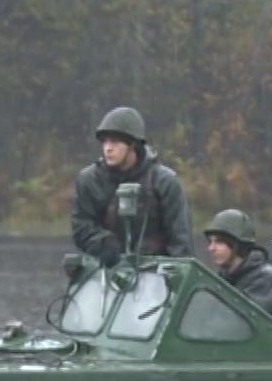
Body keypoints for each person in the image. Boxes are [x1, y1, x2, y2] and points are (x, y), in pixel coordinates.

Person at [72, 106, 192, 266]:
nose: (108, 148)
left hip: (157, 274)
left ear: (133, 144)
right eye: (104, 141)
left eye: (115, 141)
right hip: (107, 272)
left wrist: (171, 278)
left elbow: (180, 242)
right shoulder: (90, 180)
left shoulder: (164, 182)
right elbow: (81, 226)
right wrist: (102, 242)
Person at [201, 208, 272, 341]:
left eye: (219, 242)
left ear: (237, 245)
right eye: (210, 242)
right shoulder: (228, 276)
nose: (211, 248)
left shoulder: (265, 278)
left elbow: (239, 323)